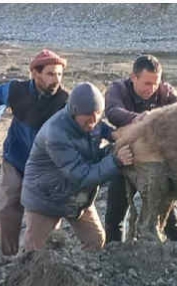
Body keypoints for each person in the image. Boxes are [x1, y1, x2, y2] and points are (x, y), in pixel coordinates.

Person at [20, 82, 134, 252]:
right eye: (88, 117)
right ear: (74, 111)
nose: (93, 122)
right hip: (45, 197)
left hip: (74, 197)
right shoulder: (56, 134)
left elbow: (102, 140)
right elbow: (81, 175)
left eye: (97, 115)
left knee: (95, 240)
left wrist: (118, 140)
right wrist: (115, 161)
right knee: (36, 252)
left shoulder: (93, 123)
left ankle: (81, 275)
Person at [0, 49, 68, 256]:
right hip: (16, 158)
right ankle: (8, 255)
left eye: (60, 74)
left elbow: (83, 126)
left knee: (45, 215)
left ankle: (38, 259)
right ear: (35, 73)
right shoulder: (16, 91)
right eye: (51, 74)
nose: (57, 80)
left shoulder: (64, 101)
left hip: (46, 166)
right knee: (7, 207)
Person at [103, 54, 177, 243]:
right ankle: (113, 254)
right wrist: (141, 119)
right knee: (115, 215)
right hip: (126, 159)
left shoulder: (166, 92)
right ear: (134, 78)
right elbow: (113, 112)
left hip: (157, 165)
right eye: (147, 83)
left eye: (155, 83)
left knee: (171, 217)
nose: (152, 88)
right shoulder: (119, 89)